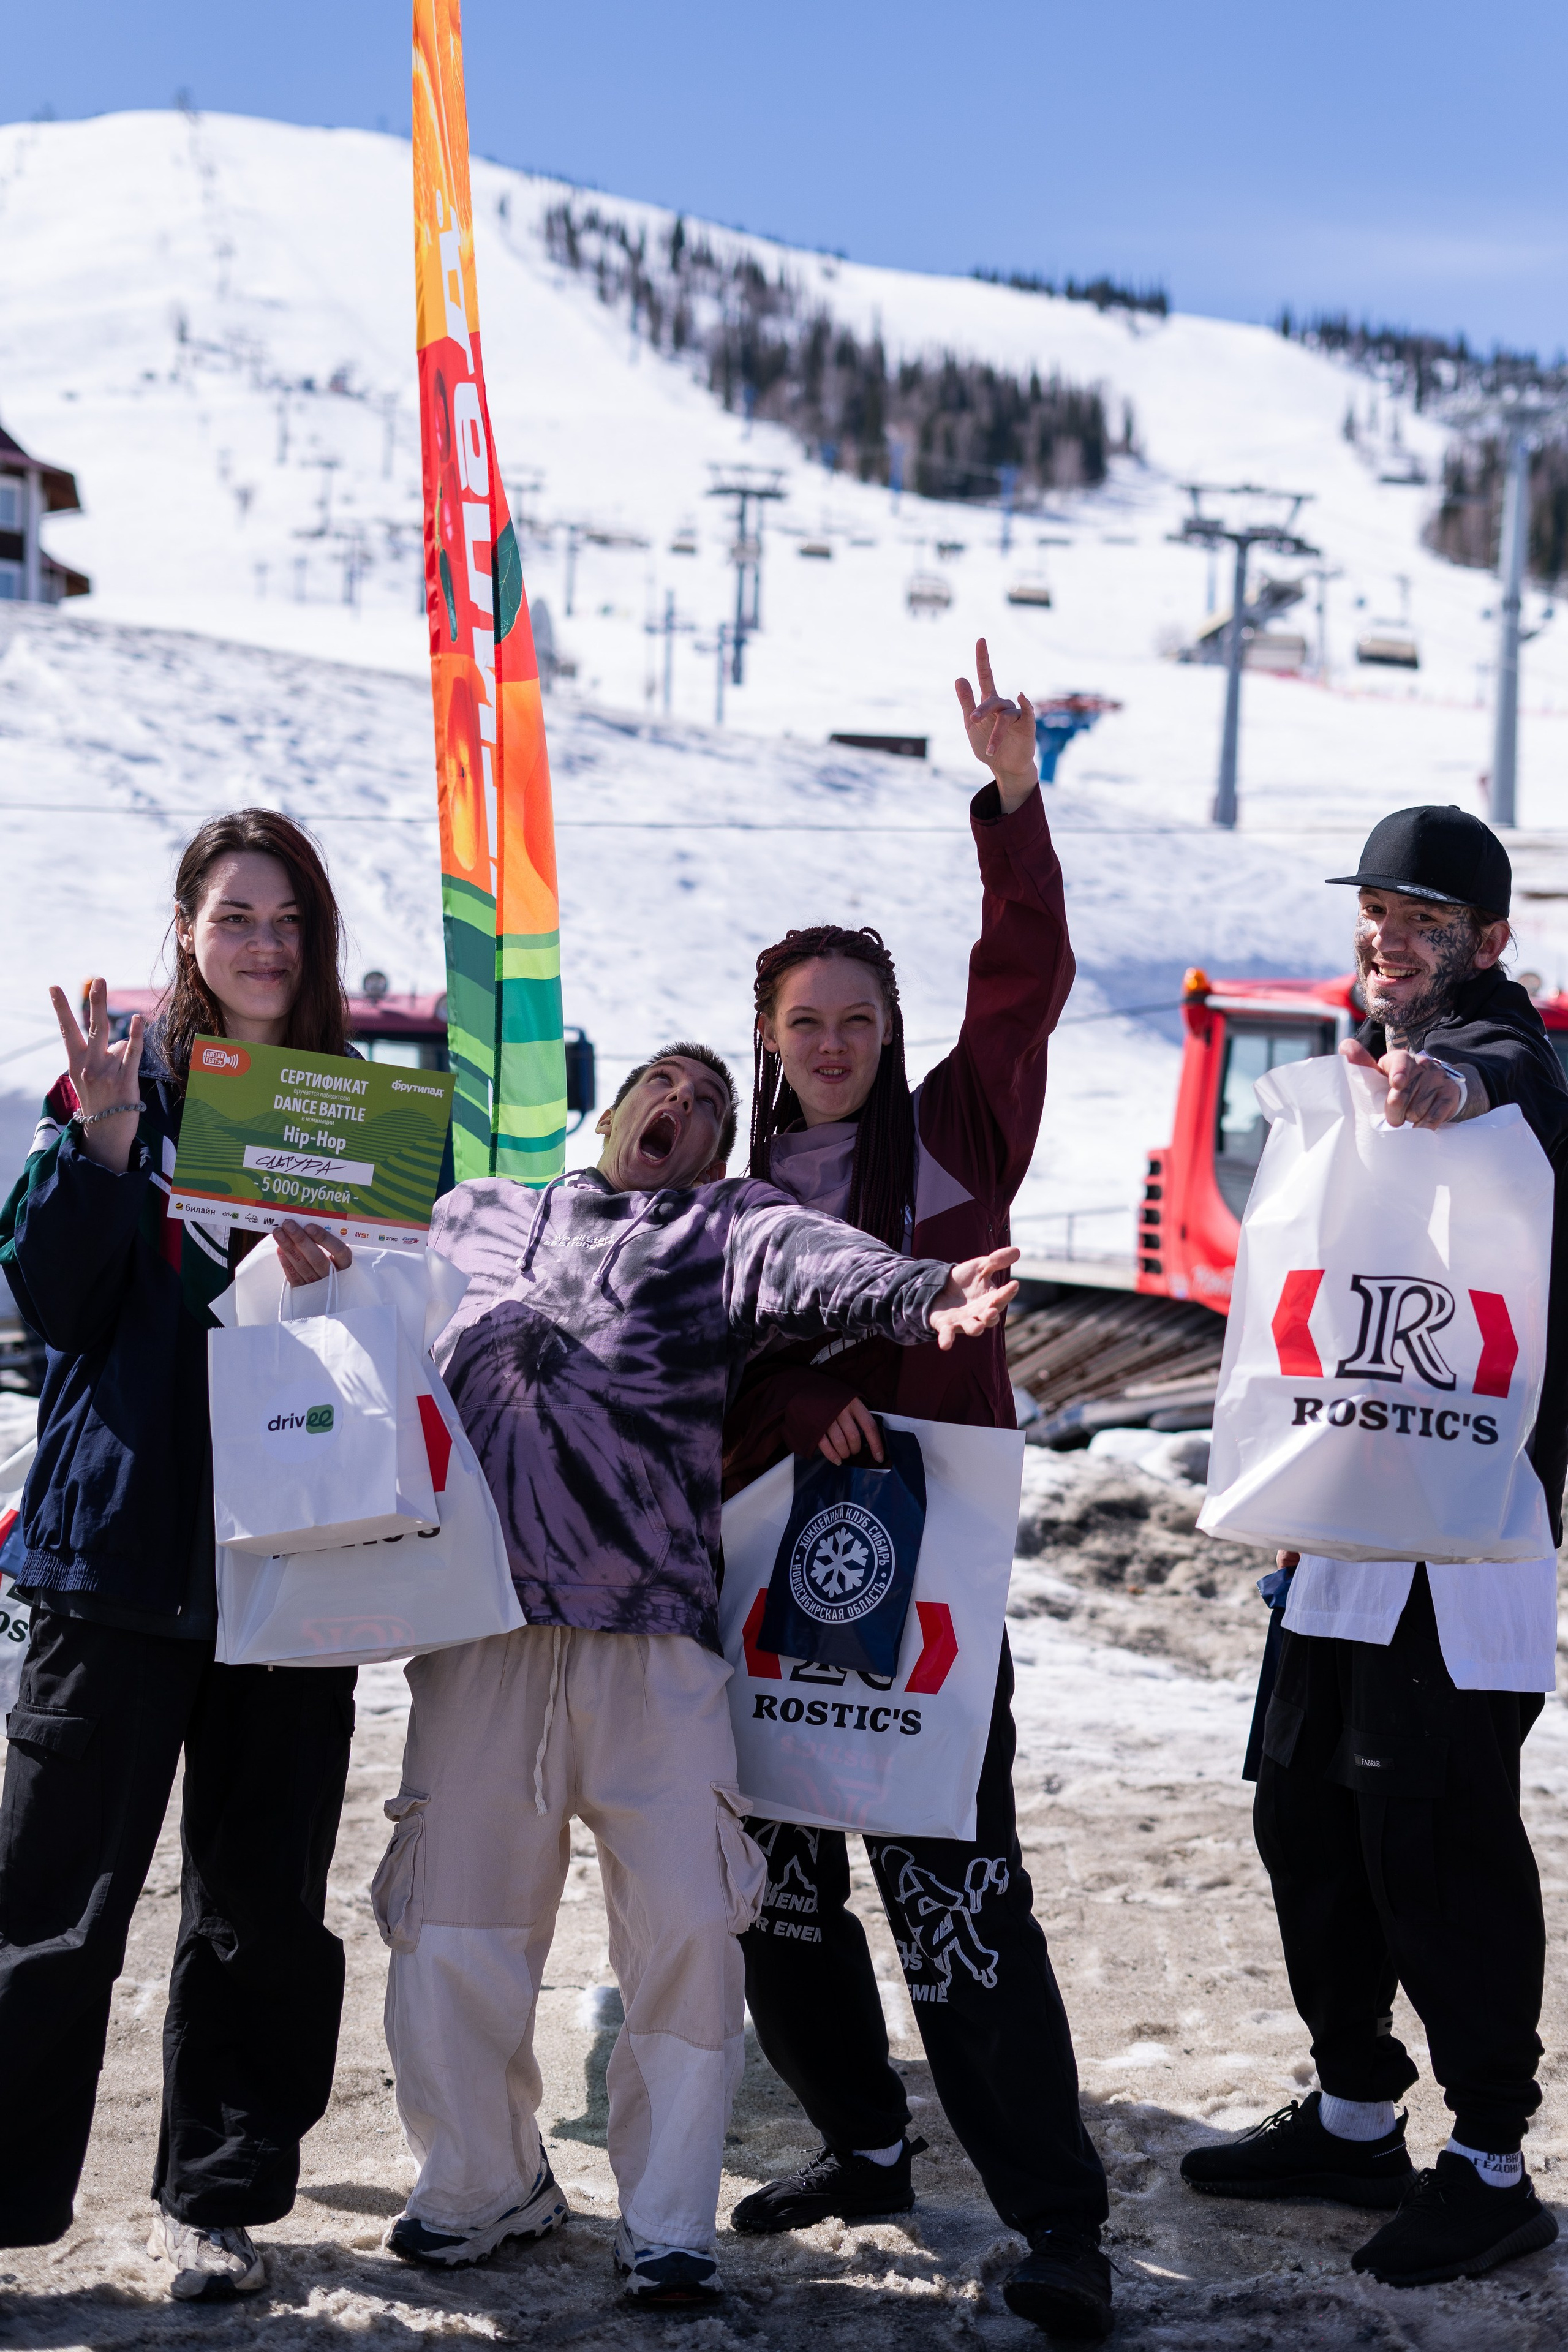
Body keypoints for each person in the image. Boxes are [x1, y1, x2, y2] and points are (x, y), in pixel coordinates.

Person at [372, 1042, 1021, 2307]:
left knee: (683, 1934)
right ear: (612, 1111)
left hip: (657, 1646)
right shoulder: (481, 1213)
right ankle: (477, 2186)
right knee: (452, 1926)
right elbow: (352, 1283)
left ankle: (666, 2224)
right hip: (485, 1634)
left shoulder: (725, 1227)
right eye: (664, 1086)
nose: (683, 1106)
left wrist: (916, 1292)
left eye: (713, 1104)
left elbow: (815, 1265)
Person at [719, 640, 1114, 2343]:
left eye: (855, 1020)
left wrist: (1012, 805)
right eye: (804, 1023)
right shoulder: (727, 1190)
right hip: (772, 1588)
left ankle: (1058, 2223)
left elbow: (1021, 982)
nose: (831, 1044)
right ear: (768, 1038)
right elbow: (703, 1366)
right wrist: (800, 1395)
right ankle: (865, 2144)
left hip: (931, 1587)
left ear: (888, 1034)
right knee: (784, 1897)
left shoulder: (956, 1135)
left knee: (958, 1900)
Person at [1180, 805, 1564, 2289]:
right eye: (1375, 916)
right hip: (1340, 1538)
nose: (1386, 939)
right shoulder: (1359, 1069)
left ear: (1483, 942)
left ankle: (1489, 2162)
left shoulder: (1511, 1065)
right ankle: (1352, 2117)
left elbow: (1506, 1076)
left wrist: (1441, 1087)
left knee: (1436, 1845)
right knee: (1303, 1818)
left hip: (1462, 1556)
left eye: (1420, 922)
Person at [0, 810, 359, 2301]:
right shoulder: (121, 1086)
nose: (262, 942)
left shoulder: (349, 1112)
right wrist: (97, 1146)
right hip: (119, 1558)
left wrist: (361, 1273)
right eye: (233, 915)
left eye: (286, 917)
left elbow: (404, 1339)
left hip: (292, 1564)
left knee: (260, 1910)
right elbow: (51, 1302)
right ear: (185, 927)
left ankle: (214, 2198)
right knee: (46, 1905)